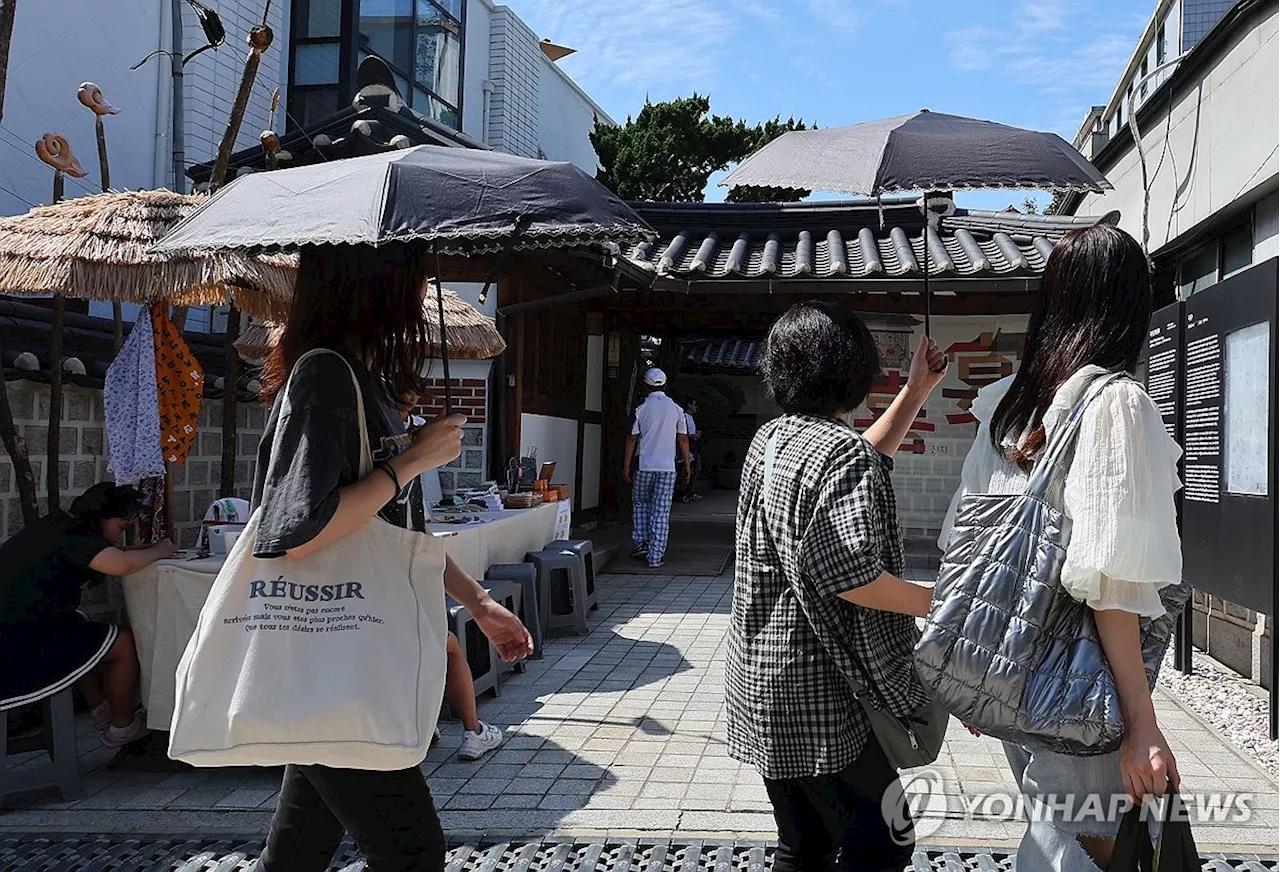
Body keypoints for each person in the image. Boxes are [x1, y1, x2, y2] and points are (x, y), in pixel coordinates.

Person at [253, 243, 533, 872]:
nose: (421, 291)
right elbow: (297, 529)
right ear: (375, 283)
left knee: (300, 847)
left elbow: (391, 533)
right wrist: (411, 461)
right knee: (412, 853)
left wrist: (480, 602)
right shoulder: (325, 376)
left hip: (340, 655)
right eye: (415, 275)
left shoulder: (360, 380)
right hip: (335, 658)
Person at [939, 223, 1184, 872]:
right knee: (1073, 851)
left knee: (1064, 835)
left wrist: (974, 667)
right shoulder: (1118, 406)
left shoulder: (1012, 404)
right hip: (1084, 681)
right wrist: (1141, 722)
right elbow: (1110, 579)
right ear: (1132, 304)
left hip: (1017, 670)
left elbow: (968, 544)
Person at [726, 301, 947, 872]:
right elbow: (852, 574)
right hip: (823, 696)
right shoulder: (842, 455)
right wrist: (939, 602)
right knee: (884, 843)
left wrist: (917, 390)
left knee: (805, 845)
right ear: (852, 368)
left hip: (764, 683)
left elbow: (855, 461)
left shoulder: (772, 439)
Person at [0, 482, 174, 747]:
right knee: (122, 644)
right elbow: (122, 564)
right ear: (101, 516)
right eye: (122, 527)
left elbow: (113, 554)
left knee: (81, 628)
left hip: (16, 627)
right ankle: (123, 727)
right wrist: (160, 551)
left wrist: (143, 550)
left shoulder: (59, 526)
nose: (119, 536)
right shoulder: (76, 538)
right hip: (19, 644)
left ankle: (103, 711)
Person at [400, 401, 504, 762]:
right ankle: (472, 730)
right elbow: (420, 545)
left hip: (384, 603)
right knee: (448, 645)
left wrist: (482, 604)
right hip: (388, 608)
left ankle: (426, 723)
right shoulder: (397, 466)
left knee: (437, 643)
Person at [623, 368, 690, 569]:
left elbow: (632, 437)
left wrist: (626, 464)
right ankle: (655, 556)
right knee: (661, 511)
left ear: (646, 385)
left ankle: (641, 542)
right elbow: (683, 438)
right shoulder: (676, 409)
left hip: (644, 464)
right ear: (665, 384)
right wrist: (687, 463)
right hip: (667, 467)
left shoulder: (641, 408)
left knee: (640, 503)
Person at [679, 398, 701, 503]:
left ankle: (690, 491)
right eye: (694, 404)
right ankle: (685, 492)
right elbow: (683, 434)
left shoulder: (691, 418)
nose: (696, 407)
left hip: (693, 445)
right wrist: (693, 436)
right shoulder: (684, 417)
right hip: (688, 446)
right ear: (689, 405)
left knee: (696, 469)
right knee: (689, 469)